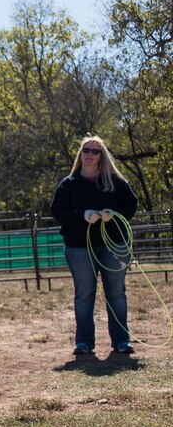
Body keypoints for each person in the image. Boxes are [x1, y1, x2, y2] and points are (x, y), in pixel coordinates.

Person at [50, 135, 138, 356]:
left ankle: (121, 340)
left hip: (113, 246)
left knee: (116, 293)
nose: (89, 154)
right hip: (79, 248)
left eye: (94, 151)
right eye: (85, 150)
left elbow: (131, 203)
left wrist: (115, 215)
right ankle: (84, 343)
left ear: (102, 156)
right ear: (81, 154)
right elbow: (58, 213)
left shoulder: (115, 181)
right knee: (84, 294)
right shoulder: (68, 184)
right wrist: (82, 216)